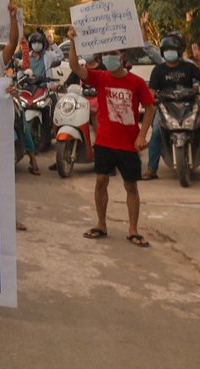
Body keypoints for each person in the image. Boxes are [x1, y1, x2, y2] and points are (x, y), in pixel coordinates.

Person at [67, 26, 156, 248]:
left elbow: (150, 107)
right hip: (105, 140)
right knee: (100, 181)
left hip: (128, 142)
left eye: (113, 54)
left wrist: (142, 135)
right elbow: (75, 67)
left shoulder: (136, 82)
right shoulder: (100, 78)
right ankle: (101, 224)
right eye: (106, 54)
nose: (109, 58)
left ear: (122, 57)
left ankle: (133, 229)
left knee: (131, 186)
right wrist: (72, 42)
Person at [142, 32, 200, 183]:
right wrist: (150, 102)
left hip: (188, 105)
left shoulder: (188, 67)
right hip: (165, 107)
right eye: (167, 49)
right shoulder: (158, 70)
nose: (169, 52)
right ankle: (151, 168)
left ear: (179, 51)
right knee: (155, 132)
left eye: (172, 49)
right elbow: (152, 92)